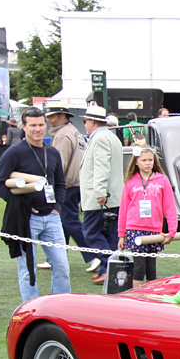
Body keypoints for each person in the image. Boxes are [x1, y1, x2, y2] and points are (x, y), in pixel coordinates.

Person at [0, 107, 70, 302]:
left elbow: (60, 183)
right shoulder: (14, 152)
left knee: (61, 266)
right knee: (27, 267)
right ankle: (31, 310)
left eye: (41, 124)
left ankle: (61, 306)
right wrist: (20, 204)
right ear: (23, 127)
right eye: (32, 125)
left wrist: (56, 207)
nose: (38, 129)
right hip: (26, 219)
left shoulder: (52, 152)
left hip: (51, 217)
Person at [45, 101, 98, 273]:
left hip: (67, 184)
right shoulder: (74, 132)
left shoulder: (62, 135)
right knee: (63, 221)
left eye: (52, 116)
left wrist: (52, 186)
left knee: (69, 220)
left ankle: (94, 255)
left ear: (62, 116)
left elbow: (58, 164)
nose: (50, 120)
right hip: (77, 182)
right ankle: (56, 257)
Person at [118, 146, 178, 286]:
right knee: (139, 268)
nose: (147, 163)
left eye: (150, 160)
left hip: (154, 230)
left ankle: (151, 296)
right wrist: (121, 235)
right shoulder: (129, 182)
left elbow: (169, 207)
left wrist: (172, 231)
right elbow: (123, 210)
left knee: (151, 268)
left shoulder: (162, 180)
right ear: (136, 162)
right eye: (144, 160)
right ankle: (138, 297)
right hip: (134, 229)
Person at [78, 105, 124, 285]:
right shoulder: (110, 137)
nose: (84, 124)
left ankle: (111, 266)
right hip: (111, 196)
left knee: (90, 233)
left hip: (100, 197)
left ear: (92, 122)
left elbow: (101, 166)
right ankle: (108, 270)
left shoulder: (100, 139)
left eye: (85, 121)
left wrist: (99, 192)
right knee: (110, 235)